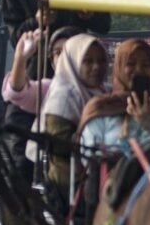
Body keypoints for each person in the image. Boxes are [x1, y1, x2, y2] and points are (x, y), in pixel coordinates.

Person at [28, 34, 108, 208]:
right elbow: (59, 144)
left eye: (102, 61)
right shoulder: (64, 96)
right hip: (69, 185)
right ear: (73, 61)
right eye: (88, 61)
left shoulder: (103, 91)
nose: (96, 67)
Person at [1, 26, 82, 182]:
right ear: (51, 61)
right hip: (50, 171)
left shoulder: (102, 93)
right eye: (57, 53)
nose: (63, 59)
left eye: (69, 52)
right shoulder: (50, 89)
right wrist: (21, 58)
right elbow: (17, 92)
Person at [77, 39, 150, 154]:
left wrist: (148, 124)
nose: (139, 70)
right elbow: (89, 156)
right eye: (130, 64)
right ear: (119, 66)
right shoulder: (101, 107)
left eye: (146, 65)